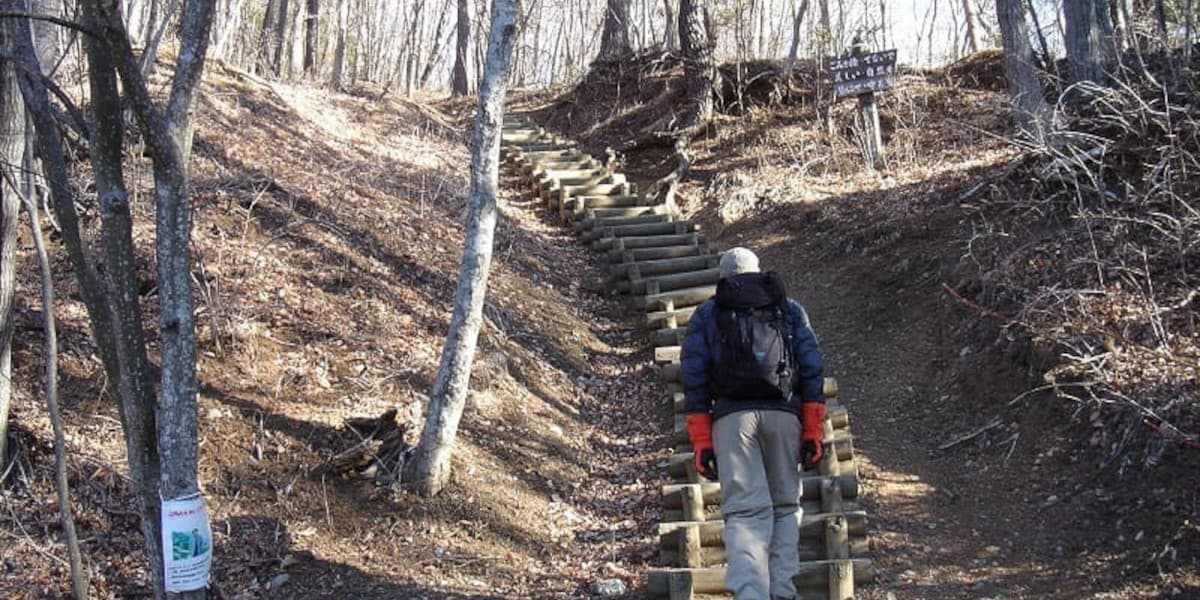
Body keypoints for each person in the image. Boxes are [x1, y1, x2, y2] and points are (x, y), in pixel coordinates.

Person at [680, 247, 826, 600]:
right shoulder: (788, 309)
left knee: (746, 512)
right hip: (784, 415)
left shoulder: (709, 313)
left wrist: (701, 440)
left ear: (724, 277)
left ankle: (751, 594)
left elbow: (694, 377)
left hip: (732, 420)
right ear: (757, 272)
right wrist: (812, 430)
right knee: (786, 506)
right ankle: (782, 591)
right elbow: (812, 369)